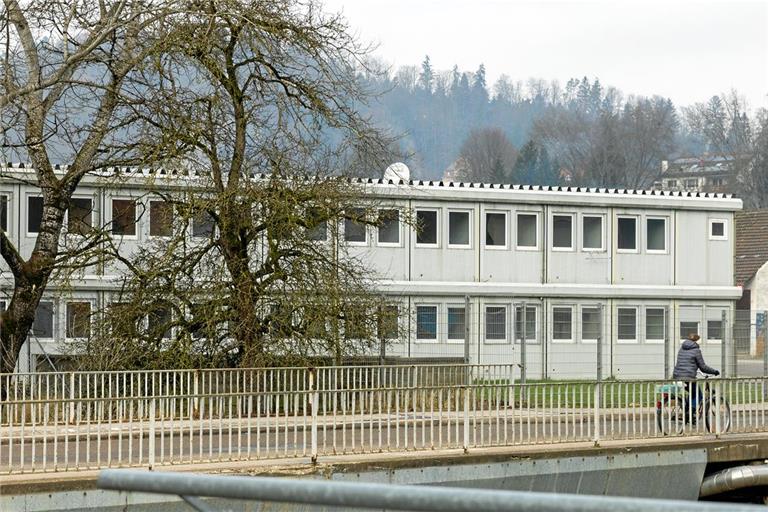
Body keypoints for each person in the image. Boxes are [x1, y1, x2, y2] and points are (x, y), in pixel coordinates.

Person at [672, 333, 719, 422]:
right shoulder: (696, 350)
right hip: (688, 377)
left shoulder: (682, 348)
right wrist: (714, 371)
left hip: (677, 376)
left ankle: (687, 411)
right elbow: (703, 367)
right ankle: (690, 413)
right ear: (696, 341)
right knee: (698, 394)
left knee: (692, 392)